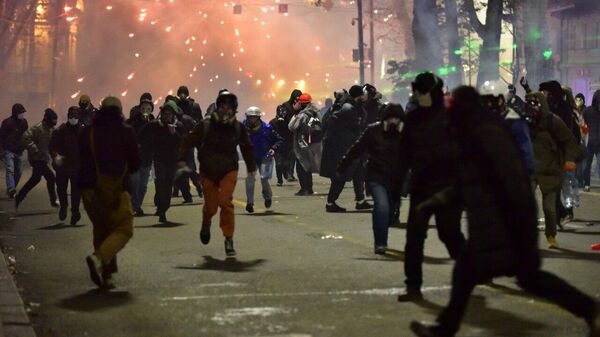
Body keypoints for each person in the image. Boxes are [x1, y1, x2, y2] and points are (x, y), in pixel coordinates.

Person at [409, 86, 600, 337]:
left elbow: (508, 180)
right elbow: (468, 181)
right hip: (498, 221)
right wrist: (436, 202)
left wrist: (517, 224)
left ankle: (592, 311)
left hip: (506, 222)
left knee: (528, 278)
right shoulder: (476, 132)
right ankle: (444, 329)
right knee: (471, 273)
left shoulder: (486, 133)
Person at [396, 72, 466, 302]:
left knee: (449, 234)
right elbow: (403, 152)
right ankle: (413, 286)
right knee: (414, 238)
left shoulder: (452, 117)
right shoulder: (414, 118)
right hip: (421, 186)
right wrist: (397, 180)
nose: (418, 95)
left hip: (448, 188)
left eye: (422, 91)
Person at [179, 91, 256, 256]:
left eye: (229, 107)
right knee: (211, 206)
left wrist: (251, 167)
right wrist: (181, 160)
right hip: (208, 170)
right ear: (218, 107)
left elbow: (246, 146)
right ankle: (206, 222)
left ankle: (229, 238)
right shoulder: (205, 125)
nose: (226, 110)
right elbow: (188, 141)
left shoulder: (237, 127)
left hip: (229, 169)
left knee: (225, 202)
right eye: (223, 106)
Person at [78, 96, 140, 289]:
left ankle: (107, 275)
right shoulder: (125, 132)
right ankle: (99, 260)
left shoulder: (88, 132)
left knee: (102, 229)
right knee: (123, 229)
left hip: (89, 190)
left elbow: (81, 157)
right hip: (114, 188)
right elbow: (135, 162)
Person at [337, 103, 404, 254]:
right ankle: (380, 243)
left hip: (396, 179)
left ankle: (389, 221)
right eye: (390, 118)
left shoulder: (407, 133)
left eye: (397, 119)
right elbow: (356, 149)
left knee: (392, 208)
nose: (394, 122)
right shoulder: (373, 131)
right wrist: (343, 166)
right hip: (377, 176)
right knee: (381, 206)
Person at [527, 92, 581, 248]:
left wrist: (570, 159)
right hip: (530, 170)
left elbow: (569, 141)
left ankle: (551, 235)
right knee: (525, 204)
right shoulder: (525, 122)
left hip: (550, 169)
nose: (532, 107)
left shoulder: (553, 121)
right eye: (529, 103)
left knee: (549, 207)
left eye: (534, 103)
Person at [321, 85, 372, 211]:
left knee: (359, 171)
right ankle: (330, 203)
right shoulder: (347, 108)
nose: (364, 97)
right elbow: (353, 127)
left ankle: (360, 201)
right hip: (342, 147)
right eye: (362, 95)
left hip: (348, 145)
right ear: (358, 96)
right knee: (341, 175)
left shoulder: (350, 105)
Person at [139, 101, 183, 223]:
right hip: (159, 159)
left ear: (173, 115)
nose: (167, 117)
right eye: (165, 114)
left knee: (168, 185)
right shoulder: (155, 125)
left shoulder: (177, 126)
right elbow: (140, 135)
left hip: (172, 161)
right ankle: (161, 209)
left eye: (169, 114)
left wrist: (174, 134)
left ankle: (164, 207)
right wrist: (145, 147)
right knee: (160, 183)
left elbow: (183, 143)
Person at [15, 109, 58, 209]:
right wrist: (34, 148)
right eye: (53, 121)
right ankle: (53, 200)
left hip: (43, 158)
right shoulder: (38, 128)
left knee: (35, 179)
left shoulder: (51, 129)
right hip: (36, 158)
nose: (54, 123)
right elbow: (25, 137)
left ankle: (19, 196)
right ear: (47, 119)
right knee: (51, 177)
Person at [243, 106, 283, 213]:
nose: (250, 120)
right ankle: (250, 203)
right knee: (250, 179)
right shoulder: (243, 128)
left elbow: (279, 140)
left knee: (264, 179)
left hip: (265, 157)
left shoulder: (267, 128)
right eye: (249, 117)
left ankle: (267, 197)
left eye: (253, 117)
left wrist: (273, 149)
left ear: (258, 118)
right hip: (251, 157)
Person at [49, 106, 83, 225]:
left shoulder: (82, 131)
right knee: (61, 189)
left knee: (76, 191)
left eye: (75, 116)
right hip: (63, 166)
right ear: (68, 116)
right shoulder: (60, 130)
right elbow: (53, 146)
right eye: (71, 116)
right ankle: (64, 207)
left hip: (78, 166)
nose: (73, 118)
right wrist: (55, 156)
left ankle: (75, 212)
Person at [288, 93, 323, 196]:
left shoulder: (302, 115)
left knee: (301, 167)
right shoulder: (317, 113)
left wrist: (294, 116)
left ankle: (305, 189)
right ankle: (309, 188)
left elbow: (292, 127)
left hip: (303, 144)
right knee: (308, 166)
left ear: (302, 104)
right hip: (314, 143)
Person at [127, 93, 155, 216]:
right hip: (135, 158)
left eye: (148, 108)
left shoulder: (154, 122)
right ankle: (134, 204)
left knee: (143, 185)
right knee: (135, 181)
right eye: (143, 108)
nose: (145, 110)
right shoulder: (133, 122)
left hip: (147, 158)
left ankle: (137, 205)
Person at [271, 89, 303, 185]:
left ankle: (290, 174)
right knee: (283, 158)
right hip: (283, 134)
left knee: (293, 154)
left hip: (293, 134)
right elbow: (281, 121)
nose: (297, 101)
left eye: (299, 99)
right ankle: (284, 174)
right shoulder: (284, 106)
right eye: (296, 99)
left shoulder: (301, 108)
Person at [0, 103, 28, 199]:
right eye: (20, 112)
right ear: (15, 113)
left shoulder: (24, 123)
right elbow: (1, 137)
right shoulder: (7, 122)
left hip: (19, 151)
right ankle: (11, 189)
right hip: (9, 151)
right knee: (10, 170)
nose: (22, 114)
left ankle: (11, 189)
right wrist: (1, 151)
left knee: (19, 172)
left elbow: (26, 136)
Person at [583, 90, 600, 192]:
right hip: (590, 142)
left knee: (589, 165)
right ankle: (586, 184)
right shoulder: (588, 111)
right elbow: (582, 124)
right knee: (587, 165)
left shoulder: (587, 111)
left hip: (593, 141)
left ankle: (587, 185)